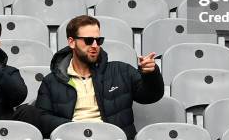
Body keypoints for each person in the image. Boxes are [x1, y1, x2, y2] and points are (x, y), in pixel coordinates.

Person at [36, 15, 164, 139]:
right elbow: (42, 119)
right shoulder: (51, 81)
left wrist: (151, 74)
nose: (95, 45)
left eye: (98, 40)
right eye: (88, 40)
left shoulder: (121, 71)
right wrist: (74, 128)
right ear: (71, 42)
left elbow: (151, 96)